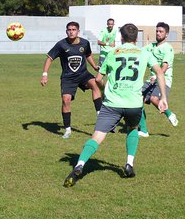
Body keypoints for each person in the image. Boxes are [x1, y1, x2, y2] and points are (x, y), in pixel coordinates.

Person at [63, 23, 168, 188]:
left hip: (112, 103)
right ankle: (129, 164)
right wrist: (163, 97)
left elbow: (98, 79)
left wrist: (105, 90)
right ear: (136, 38)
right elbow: (160, 72)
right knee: (132, 129)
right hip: (134, 102)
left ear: (121, 37)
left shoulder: (112, 52)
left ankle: (79, 165)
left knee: (97, 136)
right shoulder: (144, 53)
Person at [41, 21, 102, 139]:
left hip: (83, 74)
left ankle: (100, 116)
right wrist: (45, 74)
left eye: (74, 29)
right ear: (66, 31)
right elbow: (49, 58)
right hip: (68, 77)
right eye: (69, 29)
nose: (71, 31)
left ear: (78, 31)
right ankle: (67, 129)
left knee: (95, 84)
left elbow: (88, 54)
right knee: (66, 100)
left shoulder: (85, 43)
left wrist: (94, 66)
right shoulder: (61, 44)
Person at [138, 22, 178, 137]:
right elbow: (138, 51)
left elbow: (164, 67)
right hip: (150, 80)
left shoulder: (168, 49)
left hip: (163, 79)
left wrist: (156, 76)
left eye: (161, 31)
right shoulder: (150, 47)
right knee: (137, 99)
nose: (158, 33)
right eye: (157, 31)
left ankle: (170, 114)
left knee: (154, 98)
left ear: (166, 34)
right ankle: (144, 130)